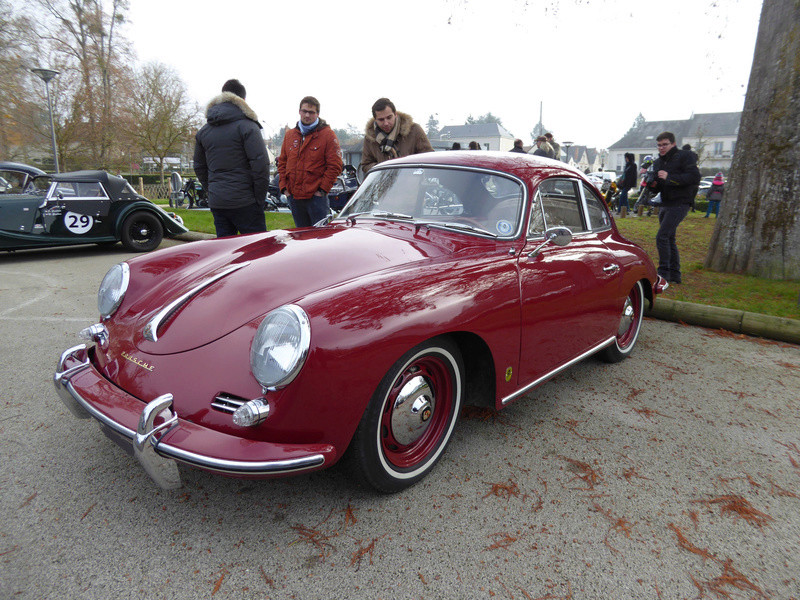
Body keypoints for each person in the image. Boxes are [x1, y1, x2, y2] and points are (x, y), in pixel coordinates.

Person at [193, 79, 270, 237]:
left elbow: (199, 166)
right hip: (246, 201)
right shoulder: (248, 127)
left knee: (225, 251)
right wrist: (259, 199)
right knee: (257, 250)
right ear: (242, 100)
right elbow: (261, 165)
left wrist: (212, 189)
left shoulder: (204, 131)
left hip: (218, 201)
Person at [277, 96, 343, 227]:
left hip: (316, 199)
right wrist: (284, 188)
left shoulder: (327, 135)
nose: (307, 115)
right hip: (294, 198)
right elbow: (282, 163)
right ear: (299, 111)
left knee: (320, 239)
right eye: (304, 111)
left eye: (311, 112)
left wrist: (322, 190)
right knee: (301, 239)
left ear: (317, 113)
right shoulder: (290, 135)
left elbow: (335, 165)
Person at [652, 132, 701, 284]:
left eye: (665, 144)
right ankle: (675, 275)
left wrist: (669, 178)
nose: (662, 148)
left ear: (673, 144)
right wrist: (653, 184)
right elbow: (659, 186)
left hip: (681, 202)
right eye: (659, 145)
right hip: (666, 202)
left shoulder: (685, 156)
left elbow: (694, 177)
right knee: (669, 238)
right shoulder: (659, 162)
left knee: (662, 236)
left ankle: (663, 273)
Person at [361, 98, 433, 175]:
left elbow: (429, 158)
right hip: (383, 185)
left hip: (413, 184)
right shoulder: (370, 139)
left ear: (395, 114)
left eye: (389, 117)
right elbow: (366, 165)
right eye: (381, 120)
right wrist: (383, 169)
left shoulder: (414, 130)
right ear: (375, 120)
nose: (386, 123)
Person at [682, 144, 700, 212]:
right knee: (692, 195)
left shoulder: (682, 154)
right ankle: (693, 208)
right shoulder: (694, 155)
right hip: (695, 179)